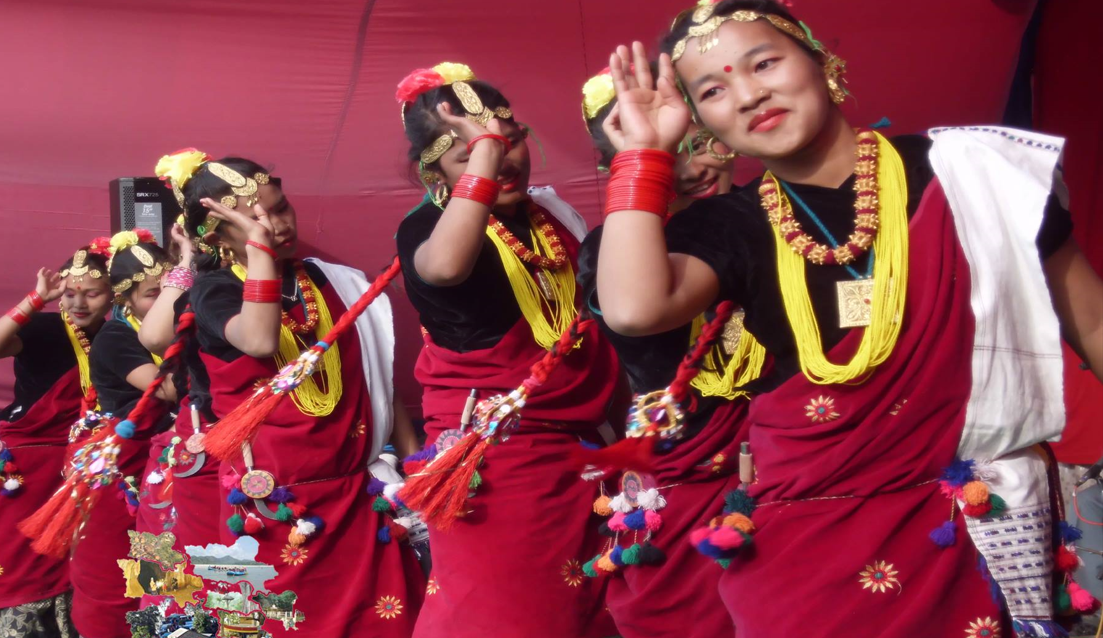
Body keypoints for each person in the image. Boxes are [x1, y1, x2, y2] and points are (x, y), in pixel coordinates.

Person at [594, 1, 1103, 636]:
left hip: (976, 514)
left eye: (764, 63)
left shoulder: (969, 174)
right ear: (701, 121)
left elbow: (1091, 321)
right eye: (714, 91)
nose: (749, 95)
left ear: (821, 60)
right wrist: (643, 155)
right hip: (815, 533)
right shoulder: (732, 223)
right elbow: (634, 309)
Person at [393, 62, 620, 638]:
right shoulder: (426, 227)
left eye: (511, 140)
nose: (504, 160)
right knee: (505, 617)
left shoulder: (550, 217)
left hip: (579, 451)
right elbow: (445, 268)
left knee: (585, 613)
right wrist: (486, 160)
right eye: (469, 154)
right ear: (433, 171)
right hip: (497, 464)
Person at [157, 149, 424, 637]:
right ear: (217, 238)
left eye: (279, 208)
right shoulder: (214, 292)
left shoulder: (330, 281)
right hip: (275, 508)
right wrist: (259, 252)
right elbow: (259, 340)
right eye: (255, 220)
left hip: (357, 497)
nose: (276, 225)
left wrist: (417, 474)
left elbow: (376, 385)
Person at [577, 67, 752, 638]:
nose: (694, 169)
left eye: (701, 143)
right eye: (668, 154)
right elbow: (635, 320)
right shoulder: (609, 253)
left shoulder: (773, 214)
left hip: (783, 453)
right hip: (683, 465)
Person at [0, 242, 111, 638]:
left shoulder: (118, 337)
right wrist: (35, 299)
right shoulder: (45, 328)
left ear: (113, 293)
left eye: (91, 293)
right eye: (69, 293)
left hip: (83, 465)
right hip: (27, 465)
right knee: (23, 559)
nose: (79, 303)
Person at [71, 230, 177, 638]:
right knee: (117, 570)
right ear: (125, 299)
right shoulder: (116, 337)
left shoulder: (180, 323)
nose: (166, 300)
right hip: (123, 470)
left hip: (163, 460)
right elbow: (165, 389)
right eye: (153, 294)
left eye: (171, 289)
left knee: (168, 567)